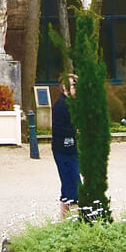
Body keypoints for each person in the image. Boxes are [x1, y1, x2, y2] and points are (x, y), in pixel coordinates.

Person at [52, 74, 81, 219]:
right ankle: (73, 221)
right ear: (64, 87)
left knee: (68, 186)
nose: (76, 88)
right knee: (73, 185)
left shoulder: (72, 104)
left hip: (71, 150)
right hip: (64, 151)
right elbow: (57, 130)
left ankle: (63, 221)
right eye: (73, 85)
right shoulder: (61, 106)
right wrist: (75, 131)